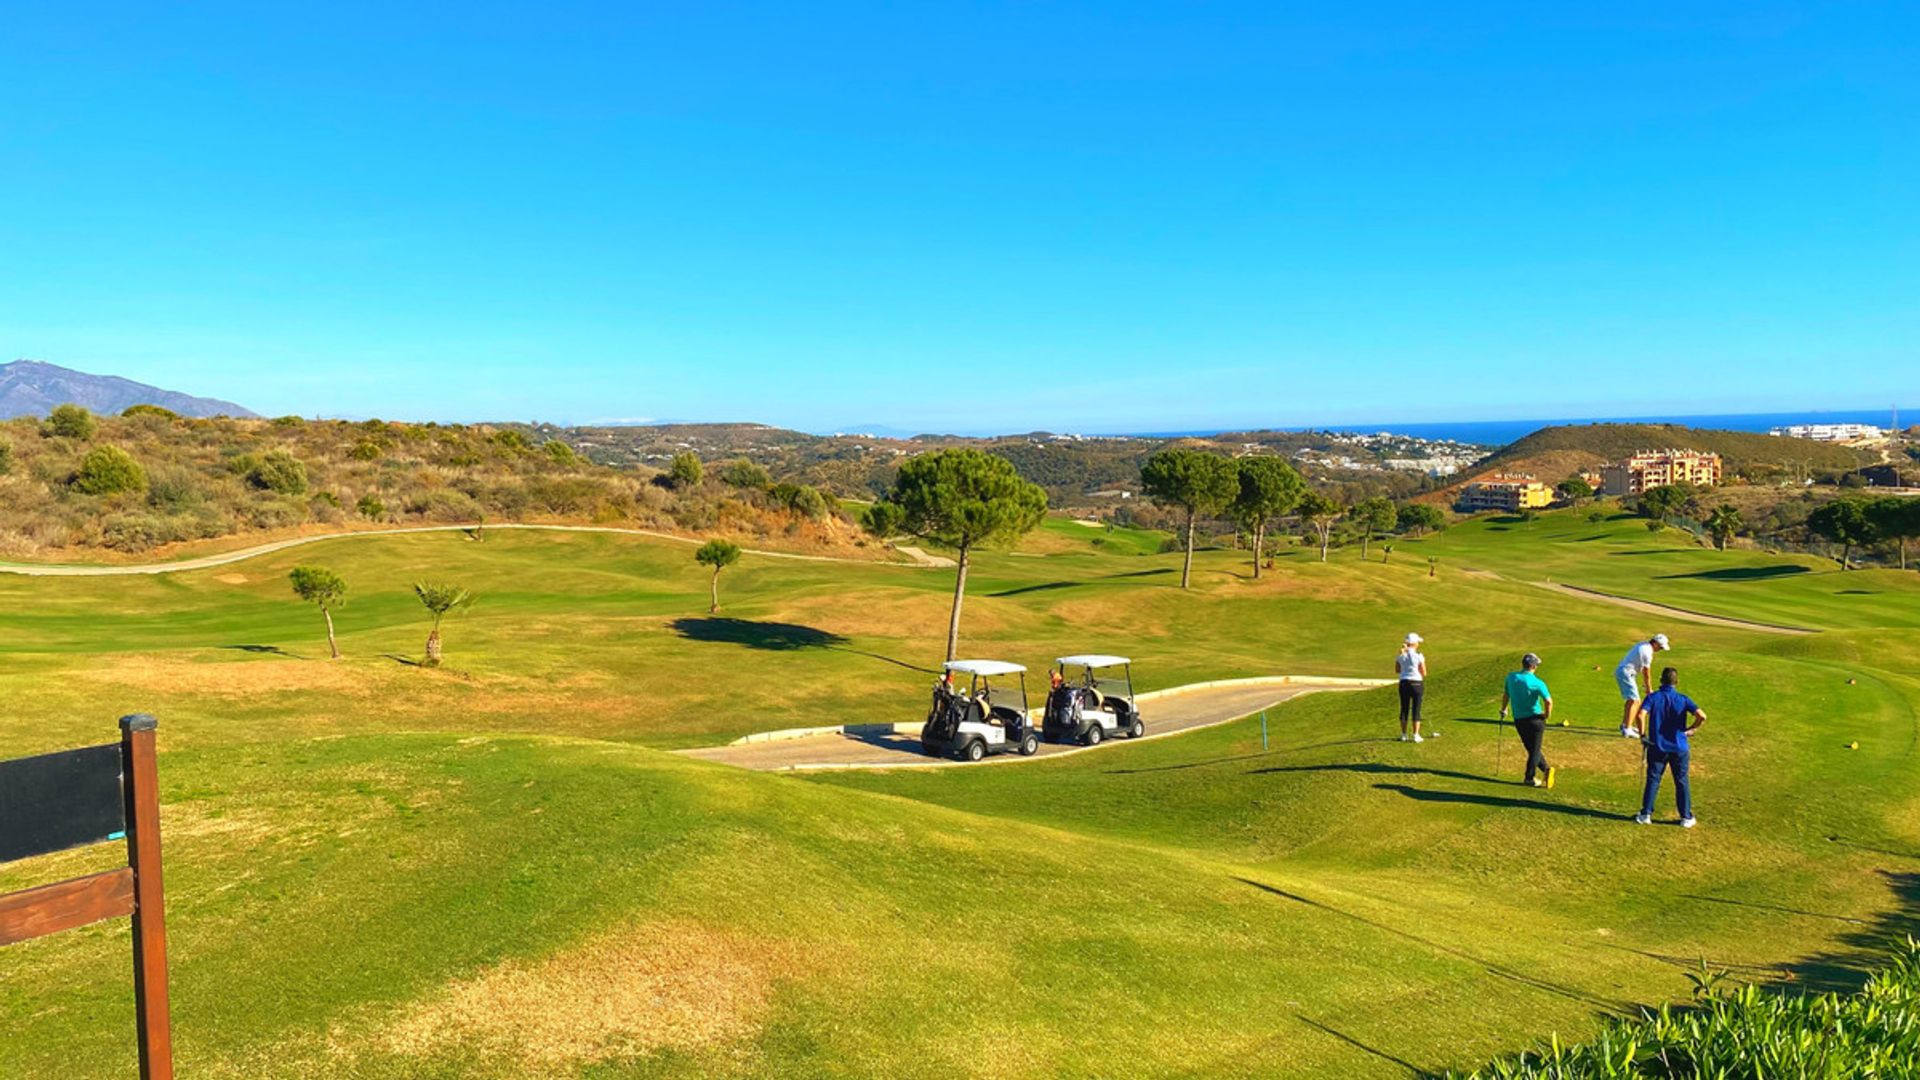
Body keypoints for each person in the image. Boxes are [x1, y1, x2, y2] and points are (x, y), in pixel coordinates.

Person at [1635, 667, 1705, 827]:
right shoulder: (1683, 699)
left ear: (1661, 681)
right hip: (1679, 747)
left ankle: (1645, 814)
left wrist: (1643, 736)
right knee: (1681, 781)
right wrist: (1691, 729)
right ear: (1676, 682)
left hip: (1657, 747)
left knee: (1653, 780)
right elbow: (1702, 716)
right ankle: (1686, 817)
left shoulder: (1653, 698)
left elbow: (1640, 715)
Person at [1499, 652, 1556, 788]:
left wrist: (1504, 709)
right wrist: (1546, 715)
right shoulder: (1537, 682)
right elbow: (1548, 701)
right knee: (1534, 750)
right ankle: (1529, 778)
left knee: (1532, 749)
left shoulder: (1511, 677)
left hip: (1519, 720)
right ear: (1533, 666)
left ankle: (1546, 769)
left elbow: (1506, 694)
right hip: (1535, 720)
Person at [1615, 633, 1671, 738]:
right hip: (1626, 673)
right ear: (1655, 644)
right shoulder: (1647, 652)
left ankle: (1626, 725)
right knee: (1635, 701)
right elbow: (1646, 673)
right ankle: (1627, 729)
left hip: (1626, 672)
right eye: (1661, 647)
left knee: (1631, 700)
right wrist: (1649, 689)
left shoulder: (1644, 645)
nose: (1660, 649)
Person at [1395, 632, 1428, 743]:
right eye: (1417, 642)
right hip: (1417, 683)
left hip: (1404, 683)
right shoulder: (1419, 655)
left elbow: (1397, 670)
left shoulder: (1401, 655)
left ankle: (1404, 735)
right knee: (1416, 709)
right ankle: (1416, 735)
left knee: (1404, 709)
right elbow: (1424, 672)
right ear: (1414, 643)